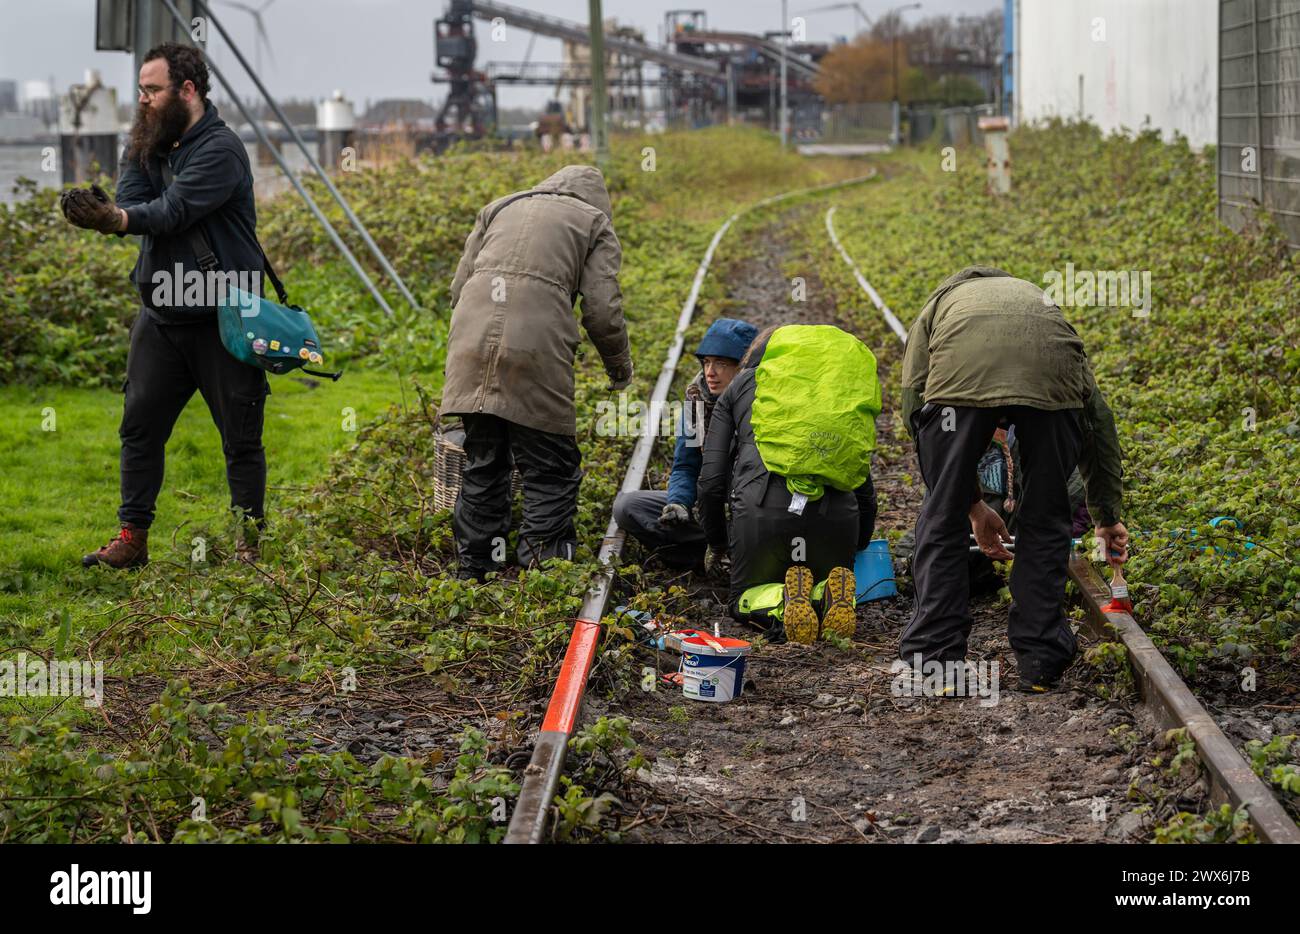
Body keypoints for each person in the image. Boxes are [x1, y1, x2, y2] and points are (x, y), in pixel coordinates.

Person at [63, 42, 271, 569]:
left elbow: (171, 211)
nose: (143, 100)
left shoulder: (222, 150)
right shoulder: (146, 143)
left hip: (225, 316)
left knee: (240, 438)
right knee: (138, 428)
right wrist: (111, 212)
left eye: (152, 90)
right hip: (161, 314)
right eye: (140, 90)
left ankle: (249, 546)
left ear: (188, 90)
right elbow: (132, 199)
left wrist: (115, 220)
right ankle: (132, 538)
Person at [898, 265, 1128, 692]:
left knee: (941, 522)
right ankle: (1040, 661)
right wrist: (1107, 514)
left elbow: (914, 397)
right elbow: (1097, 420)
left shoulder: (939, 304)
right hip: (1051, 386)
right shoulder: (1038, 301)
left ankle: (937, 662)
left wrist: (957, 498)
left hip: (957, 389)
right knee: (1046, 520)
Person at [442, 165, 632, 580]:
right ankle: (543, 571)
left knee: (484, 461)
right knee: (551, 466)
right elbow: (602, 310)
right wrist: (619, 368)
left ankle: (477, 569)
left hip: (470, 342)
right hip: (535, 348)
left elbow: (458, 289)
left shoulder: (500, 207)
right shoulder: (594, 222)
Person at [697, 324, 881, 643]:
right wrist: (860, 542)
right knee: (827, 575)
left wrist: (717, 543)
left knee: (743, 600)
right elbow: (861, 479)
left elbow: (711, 481)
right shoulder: (836, 391)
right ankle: (826, 592)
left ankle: (781, 602)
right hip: (836, 518)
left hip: (761, 512)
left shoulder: (739, 386)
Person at [613, 317, 758, 570]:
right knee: (628, 507)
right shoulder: (697, 401)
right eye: (706, 362)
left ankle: (738, 553)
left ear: (743, 367)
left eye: (721, 364)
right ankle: (710, 557)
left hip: (754, 510)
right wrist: (678, 502)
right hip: (713, 509)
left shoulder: (764, 401)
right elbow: (686, 465)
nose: (710, 372)